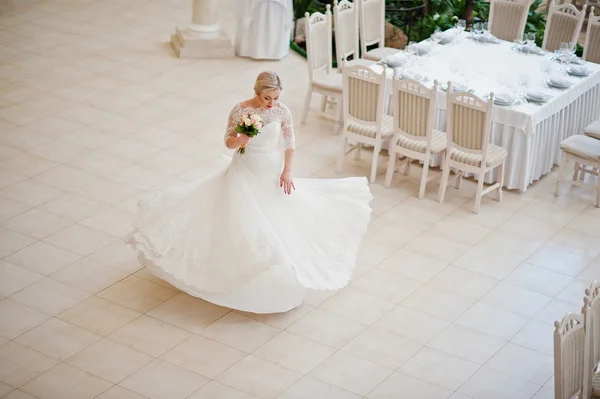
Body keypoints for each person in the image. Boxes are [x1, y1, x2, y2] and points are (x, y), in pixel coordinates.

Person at [127, 71, 373, 314]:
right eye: (268, 98)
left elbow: (289, 142)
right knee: (244, 222)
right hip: (244, 170)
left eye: (276, 98)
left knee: (277, 221)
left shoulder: (281, 111)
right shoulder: (240, 109)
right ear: (257, 93)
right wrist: (240, 139)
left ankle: (279, 278)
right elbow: (227, 141)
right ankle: (239, 277)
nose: (272, 103)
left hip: (271, 170)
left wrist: (287, 171)